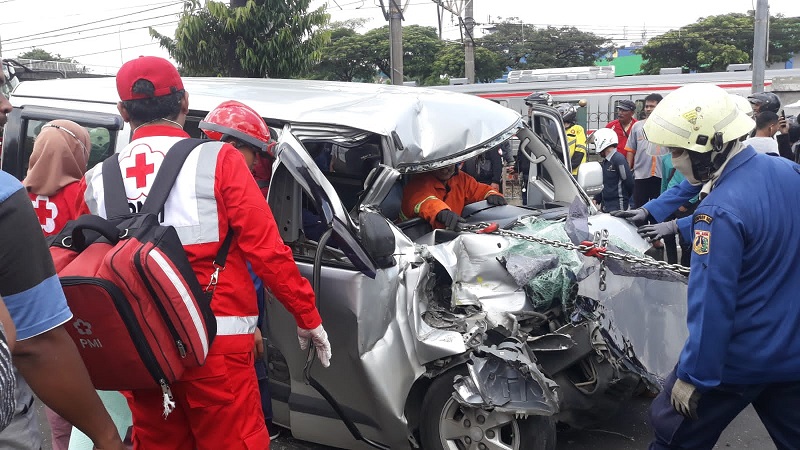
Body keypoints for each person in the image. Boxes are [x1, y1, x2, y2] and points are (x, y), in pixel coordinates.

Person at [75, 56, 331, 449]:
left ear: (123, 111)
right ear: (183, 102)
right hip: (217, 351)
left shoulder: (94, 181)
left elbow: (86, 271)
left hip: (145, 354)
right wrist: (307, 316)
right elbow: (267, 251)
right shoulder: (219, 160)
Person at [642, 83, 800, 450]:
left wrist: (694, 375)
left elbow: (713, 302)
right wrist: (673, 221)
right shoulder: (787, 173)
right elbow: (762, 228)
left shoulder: (719, 211)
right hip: (791, 352)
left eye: (678, 151)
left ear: (710, 147)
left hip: (737, 360)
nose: (673, 158)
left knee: (673, 439)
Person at [198, 100, 281, 439]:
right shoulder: (220, 190)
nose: (256, 163)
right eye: (253, 153)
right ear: (230, 146)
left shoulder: (203, 182)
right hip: (227, 318)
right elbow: (262, 256)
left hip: (229, 311)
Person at [22, 120, 91, 448]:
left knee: (53, 386)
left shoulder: (18, 194)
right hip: (73, 303)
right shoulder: (84, 191)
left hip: (30, 308)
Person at [400, 163, 506, 231]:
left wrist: (492, 194)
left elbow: (478, 190)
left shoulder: (461, 179)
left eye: (448, 163)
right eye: (440, 164)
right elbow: (423, 199)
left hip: (449, 237)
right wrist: (440, 212)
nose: (445, 169)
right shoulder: (419, 181)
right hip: (415, 239)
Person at [625, 94, 666, 208]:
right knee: (639, 207)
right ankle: (640, 227)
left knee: (658, 208)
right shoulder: (637, 126)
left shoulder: (667, 126)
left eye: (652, 106)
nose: (648, 109)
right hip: (641, 174)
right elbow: (630, 149)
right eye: (646, 106)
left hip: (661, 174)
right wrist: (629, 169)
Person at [590, 128, 633, 212]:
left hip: (618, 205)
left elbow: (629, 182)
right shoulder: (606, 161)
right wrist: (597, 198)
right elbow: (605, 183)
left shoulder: (618, 159)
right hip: (607, 205)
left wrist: (624, 198)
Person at [555, 103, 587, 176]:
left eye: (561, 113)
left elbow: (580, 149)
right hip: (561, 170)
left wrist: (571, 165)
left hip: (575, 171)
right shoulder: (558, 129)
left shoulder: (577, 129)